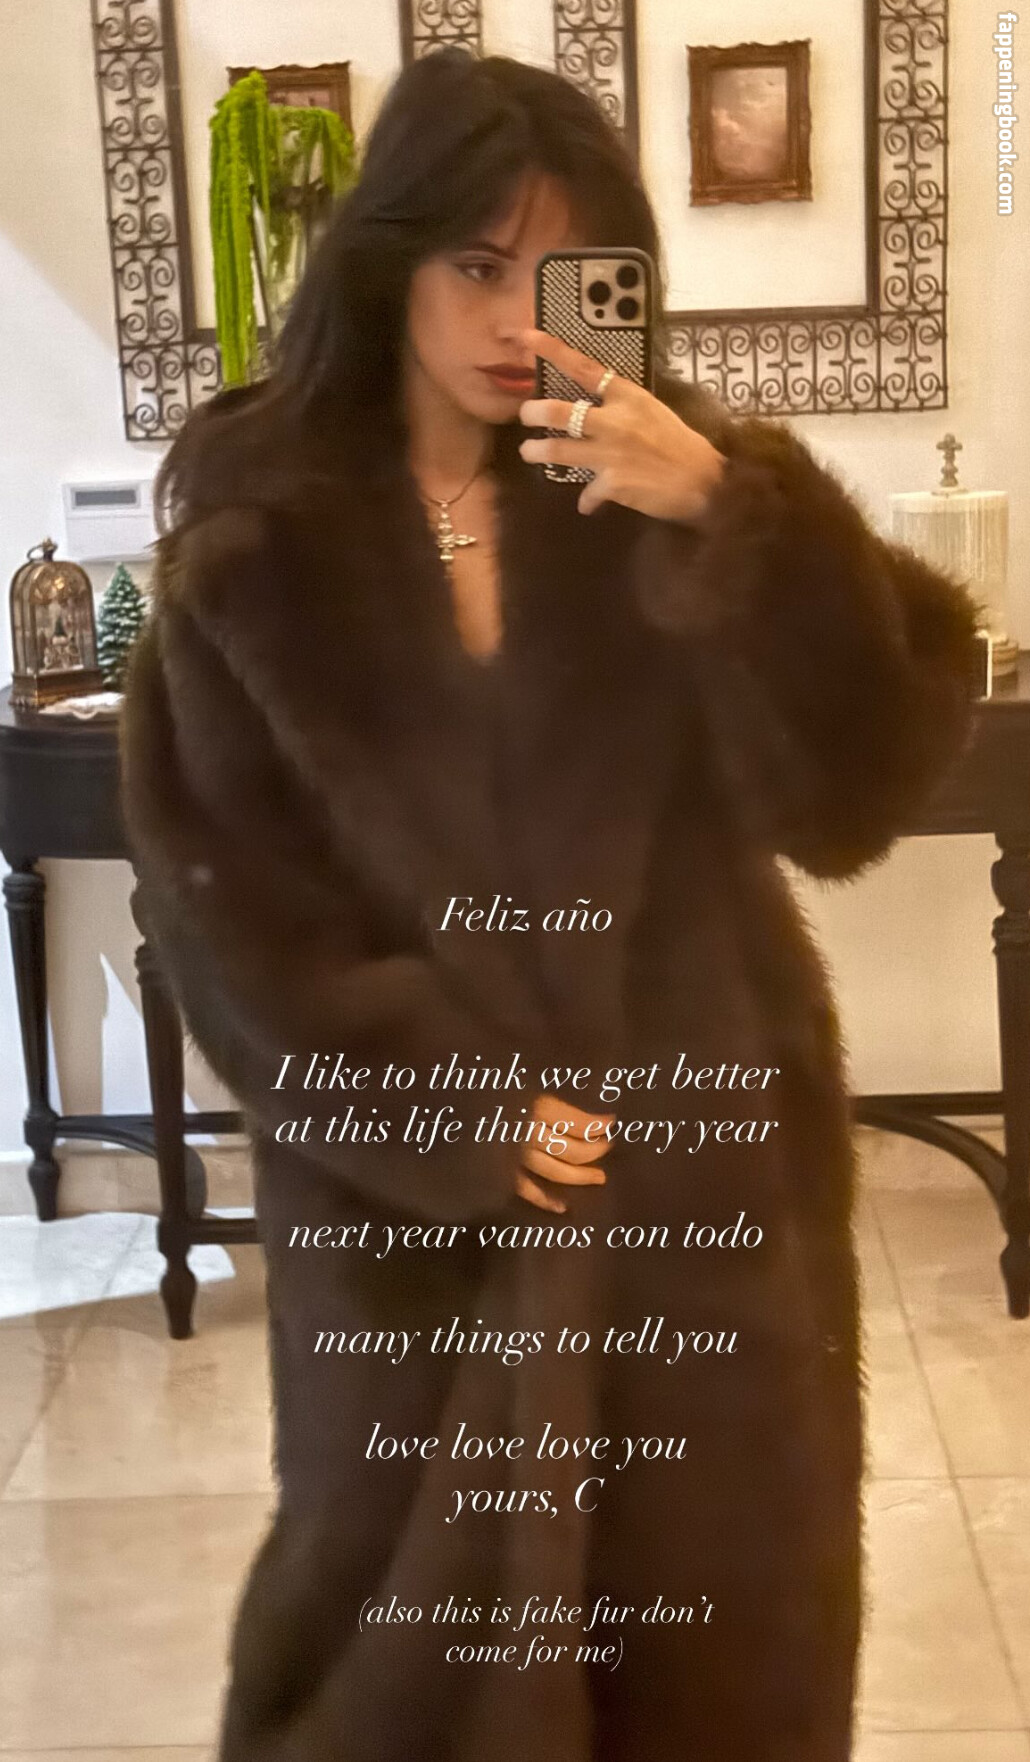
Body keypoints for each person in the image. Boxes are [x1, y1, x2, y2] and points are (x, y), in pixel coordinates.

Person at [118, 47, 982, 1762]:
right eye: (473, 263)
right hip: (414, 1239)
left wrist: (727, 516)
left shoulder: (669, 486)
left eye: (561, 270)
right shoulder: (258, 548)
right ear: (388, 259)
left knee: (719, 1663)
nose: (517, 317)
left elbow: (858, 787)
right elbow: (228, 908)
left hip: (700, 1207)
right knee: (395, 1660)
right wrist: (449, 1100)